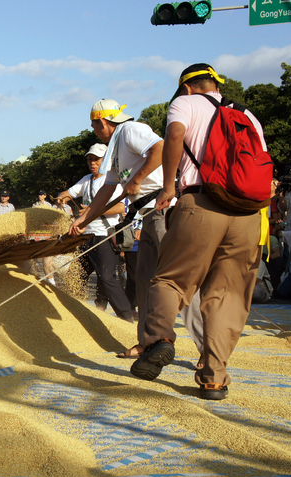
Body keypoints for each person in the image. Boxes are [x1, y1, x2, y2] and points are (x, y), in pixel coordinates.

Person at [131, 63, 269, 400]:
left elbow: (174, 137)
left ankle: (159, 340)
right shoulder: (246, 114)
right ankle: (213, 380)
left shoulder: (185, 103)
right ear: (216, 85)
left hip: (202, 203)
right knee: (227, 297)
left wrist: (167, 187)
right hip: (247, 213)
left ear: (187, 86)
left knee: (170, 279)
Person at [70, 97, 203, 362]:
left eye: (95, 126)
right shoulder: (113, 148)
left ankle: (208, 349)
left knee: (178, 281)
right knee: (142, 281)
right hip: (144, 214)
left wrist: (137, 179)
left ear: (102, 122)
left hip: (163, 208)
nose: (95, 131)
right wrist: (83, 220)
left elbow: (160, 148)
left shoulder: (131, 130)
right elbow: (108, 190)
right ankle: (148, 341)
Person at [57, 143, 133, 322]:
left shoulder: (112, 179)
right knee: (75, 275)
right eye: (90, 159)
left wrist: (91, 211)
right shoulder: (87, 179)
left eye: (97, 159)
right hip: (86, 236)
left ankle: (126, 316)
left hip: (105, 235)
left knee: (106, 277)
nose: (93, 163)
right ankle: (73, 314)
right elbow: (67, 193)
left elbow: (121, 207)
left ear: (105, 160)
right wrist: (62, 198)